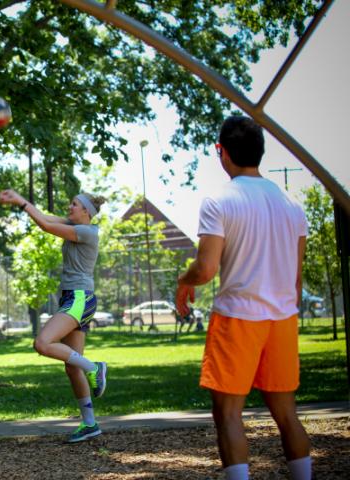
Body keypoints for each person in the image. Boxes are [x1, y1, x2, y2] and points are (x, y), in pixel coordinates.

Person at [175, 115, 311, 480]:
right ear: (261, 152)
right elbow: (296, 281)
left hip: (238, 318)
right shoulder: (292, 206)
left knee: (229, 413)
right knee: (287, 414)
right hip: (282, 320)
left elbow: (205, 270)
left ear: (222, 152)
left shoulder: (220, 201)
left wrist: (183, 279)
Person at [0, 188, 107, 443]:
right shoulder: (73, 224)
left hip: (80, 298)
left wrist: (21, 203)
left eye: (73, 204)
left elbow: (46, 226)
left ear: (86, 212)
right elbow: (46, 217)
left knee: (43, 343)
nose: (69, 207)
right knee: (72, 366)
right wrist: (19, 201)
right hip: (74, 298)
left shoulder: (86, 232)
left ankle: (95, 367)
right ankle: (90, 424)